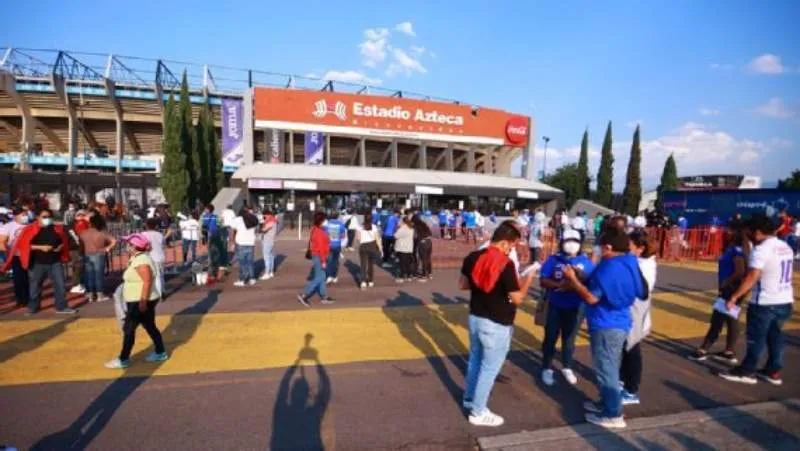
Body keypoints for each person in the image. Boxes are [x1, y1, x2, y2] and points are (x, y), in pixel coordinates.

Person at [562, 228, 647, 429]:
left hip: (606, 323)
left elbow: (591, 297)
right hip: (621, 320)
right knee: (609, 366)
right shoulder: (630, 262)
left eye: (600, 247)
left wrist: (574, 281)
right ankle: (606, 402)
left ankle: (613, 413)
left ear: (608, 247)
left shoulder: (608, 268)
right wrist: (583, 276)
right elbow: (640, 291)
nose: (598, 250)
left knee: (605, 369)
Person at [460, 221, 536, 427]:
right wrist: (528, 279)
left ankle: (469, 399)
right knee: (489, 368)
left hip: (475, 317)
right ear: (503, 242)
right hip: (498, 322)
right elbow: (518, 298)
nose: (511, 249)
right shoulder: (506, 264)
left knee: (475, 361)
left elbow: (463, 285)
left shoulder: (472, 257)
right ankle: (478, 411)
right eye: (511, 246)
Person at [719, 214, 794, 385]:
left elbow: (752, 276)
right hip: (784, 299)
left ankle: (747, 370)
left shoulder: (761, 250)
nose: (747, 237)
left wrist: (735, 296)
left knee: (756, 338)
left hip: (765, 301)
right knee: (775, 337)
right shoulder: (784, 246)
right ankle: (773, 370)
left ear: (758, 232)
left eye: (748, 233)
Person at [539, 229, 595, 386]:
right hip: (555, 305)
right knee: (550, 337)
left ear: (580, 244)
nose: (571, 244)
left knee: (569, 339)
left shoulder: (586, 262)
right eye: (568, 240)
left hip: (576, 307)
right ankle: (546, 367)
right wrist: (559, 285)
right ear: (562, 242)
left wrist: (576, 281)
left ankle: (567, 366)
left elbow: (592, 282)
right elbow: (543, 280)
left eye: (575, 241)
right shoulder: (554, 260)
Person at [105, 233, 167, 369]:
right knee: (149, 326)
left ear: (135, 247)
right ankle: (160, 351)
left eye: (129, 244)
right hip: (140, 299)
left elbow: (147, 281)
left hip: (139, 300)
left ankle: (123, 359)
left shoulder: (141, 261)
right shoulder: (137, 258)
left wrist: (143, 301)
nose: (127, 246)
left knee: (129, 329)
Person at [690, 225, 750, 364]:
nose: (727, 232)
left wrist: (726, 282)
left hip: (730, 288)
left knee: (718, 318)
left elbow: (739, 271)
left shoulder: (736, 250)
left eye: (730, 230)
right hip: (733, 287)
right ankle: (729, 350)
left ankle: (704, 348)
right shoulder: (739, 249)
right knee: (731, 319)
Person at [2, 208, 76, 315]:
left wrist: (60, 247)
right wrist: (40, 247)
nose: (47, 219)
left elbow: (63, 241)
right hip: (37, 262)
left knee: (60, 285)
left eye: (49, 217)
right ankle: (33, 307)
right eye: (44, 217)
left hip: (55, 261)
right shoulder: (29, 229)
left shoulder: (57, 229)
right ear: (38, 217)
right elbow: (24, 246)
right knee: (35, 287)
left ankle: (62, 307)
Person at [619, 230, 657, 406]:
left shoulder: (644, 265)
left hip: (635, 312)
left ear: (640, 248)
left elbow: (641, 291)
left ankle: (631, 390)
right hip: (630, 311)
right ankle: (622, 381)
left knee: (632, 350)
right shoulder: (637, 262)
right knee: (625, 349)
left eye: (630, 245)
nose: (627, 247)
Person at [79, 213, 117, 303]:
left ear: (90, 223)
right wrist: (107, 248)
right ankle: (100, 294)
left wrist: (81, 254)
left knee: (89, 275)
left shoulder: (83, 233)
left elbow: (81, 246)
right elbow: (114, 241)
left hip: (87, 254)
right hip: (99, 253)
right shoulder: (101, 233)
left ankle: (91, 295)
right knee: (98, 275)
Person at [298, 212, 334, 307]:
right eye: (325, 219)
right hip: (319, 256)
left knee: (321, 276)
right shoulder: (320, 232)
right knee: (320, 277)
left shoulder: (315, 229)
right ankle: (304, 295)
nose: (326, 221)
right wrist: (323, 261)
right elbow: (321, 248)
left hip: (316, 255)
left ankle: (324, 296)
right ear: (321, 221)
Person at [0, 208, 31, 306]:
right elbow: (2, 242)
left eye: (26, 214)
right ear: (16, 216)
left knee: (30, 278)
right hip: (16, 255)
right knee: (19, 278)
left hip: (30, 254)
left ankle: (30, 298)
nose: (26, 216)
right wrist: (7, 253)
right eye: (23, 214)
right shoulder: (8, 226)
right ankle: (20, 299)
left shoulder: (31, 225)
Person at [230, 207, 258, 287]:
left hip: (241, 242)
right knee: (250, 261)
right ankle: (252, 278)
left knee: (242, 262)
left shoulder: (238, 219)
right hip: (251, 242)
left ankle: (242, 280)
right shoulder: (253, 219)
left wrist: (232, 242)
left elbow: (233, 230)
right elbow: (256, 229)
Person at [142, 218, 167, 300]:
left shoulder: (143, 234)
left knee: (151, 277)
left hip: (149, 257)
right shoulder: (160, 235)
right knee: (160, 276)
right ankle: (161, 292)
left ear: (146, 225)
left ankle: (156, 294)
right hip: (159, 257)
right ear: (156, 226)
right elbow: (163, 245)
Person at [358, 214, 382, 289]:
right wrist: (380, 248)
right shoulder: (374, 227)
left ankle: (363, 282)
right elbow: (377, 238)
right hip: (372, 245)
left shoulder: (360, 227)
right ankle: (371, 281)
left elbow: (358, 238)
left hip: (363, 246)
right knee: (371, 264)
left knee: (363, 264)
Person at [323, 211, 346, 284]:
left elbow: (324, 235)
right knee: (335, 261)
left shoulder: (327, 225)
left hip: (328, 245)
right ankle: (334, 276)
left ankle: (329, 276)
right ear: (337, 216)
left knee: (328, 261)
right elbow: (343, 236)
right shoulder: (341, 224)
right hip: (337, 245)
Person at [394, 217, 415, 283]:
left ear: (403, 222)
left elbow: (395, 236)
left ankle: (403, 276)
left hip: (402, 248)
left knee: (402, 263)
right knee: (408, 263)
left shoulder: (403, 228)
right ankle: (409, 276)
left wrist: (397, 228)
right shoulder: (411, 228)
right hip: (409, 247)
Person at [413, 214, 433, 281]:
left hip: (422, 243)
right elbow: (430, 233)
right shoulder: (424, 224)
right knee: (428, 258)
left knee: (423, 259)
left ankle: (424, 275)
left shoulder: (416, 226)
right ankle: (429, 273)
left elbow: (416, 236)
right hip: (429, 242)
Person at [260, 210, 278, 280]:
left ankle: (267, 273)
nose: (264, 217)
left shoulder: (270, 222)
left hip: (267, 241)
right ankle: (270, 272)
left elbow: (264, 230)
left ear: (267, 215)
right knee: (271, 257)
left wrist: (261, 226)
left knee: (266, 257)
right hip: (271, 241)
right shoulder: (274, 221)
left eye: (264, 216)